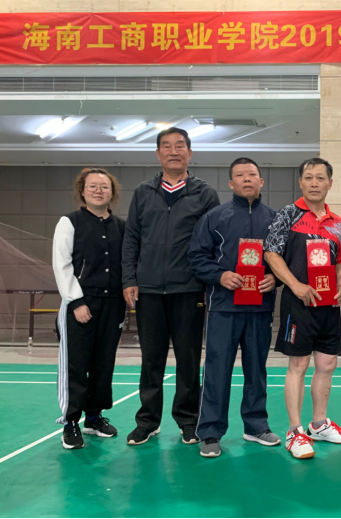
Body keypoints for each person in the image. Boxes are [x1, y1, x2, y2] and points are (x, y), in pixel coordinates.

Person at [122, 128, 220, 447]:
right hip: (148, 290)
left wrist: (208, 282)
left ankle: (188, 421)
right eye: (166, 146)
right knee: (151, 359)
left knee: (188, 359)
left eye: (180, 146)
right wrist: (129, 279)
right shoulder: (143, 192)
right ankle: (147, 422)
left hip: (189, 290)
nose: (173, 151)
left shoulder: (205, 194)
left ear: (190, 153)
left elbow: (213, 243)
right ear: (158, 153)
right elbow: (131, 238)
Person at [188, 158, 280, 458]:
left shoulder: (276, 219)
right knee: (217, 370)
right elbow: (197, 257)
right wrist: (220, 276)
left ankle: (256, 426)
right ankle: (210, 431)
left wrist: (275, 278)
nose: (247, 179)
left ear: (261, 181)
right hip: (223, 307)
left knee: (257, 369)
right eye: (240, 175)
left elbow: (286, 259)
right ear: (231, 183)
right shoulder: (214, 217)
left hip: (260, 307)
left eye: (252, 174)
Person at [264, 158, 341, 460]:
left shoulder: (337, 222)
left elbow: (339, 261)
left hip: (328, 306)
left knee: (327, 364)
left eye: (320, 178)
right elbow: (272, 254)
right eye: (309, 177)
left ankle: (319, 424)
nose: (314, 183)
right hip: (299, 304)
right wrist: (295, 285)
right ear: (301, 182)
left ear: (330, 183)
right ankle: (294, 431)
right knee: (299, 366)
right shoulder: (288, 214)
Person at [53, 168, 127, 450]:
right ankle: (71, 421)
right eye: (92, 186)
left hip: (113, 304)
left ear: (112, 192)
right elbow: (62, 264)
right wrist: (76, 301)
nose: (98, 190)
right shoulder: (69, 222)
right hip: (81, 303)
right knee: (76, 364)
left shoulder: (121, 226)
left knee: (103, 363)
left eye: (104, 186)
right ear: (82, 191)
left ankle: (94, 417)